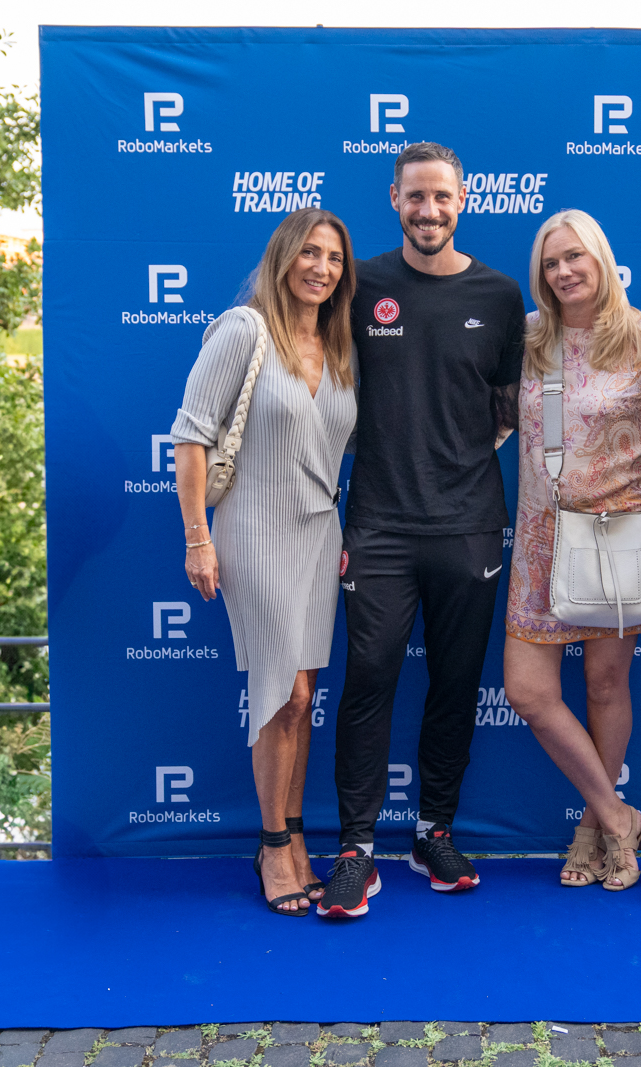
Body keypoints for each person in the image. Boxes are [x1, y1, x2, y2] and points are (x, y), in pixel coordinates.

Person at [316, 142, 525, 919]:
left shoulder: (500, 294)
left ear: (463, 200)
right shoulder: (359, 283)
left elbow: (507, 408)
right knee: (368, 679)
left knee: (456, 683)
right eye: (415, 197)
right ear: (394, 199)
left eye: (442, 197)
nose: (428, 210)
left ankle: (434, 829)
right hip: (377, 524)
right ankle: (355, 848)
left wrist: (452, 458)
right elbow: (309, 362)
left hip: (469, 526)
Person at [170, 208, 358, 916]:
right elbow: (191, 436)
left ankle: (296, 834)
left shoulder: (338, 347)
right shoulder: (243, 331)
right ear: (282, 258)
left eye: (333, 258)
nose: (321, 268)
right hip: (255, 528)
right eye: (309, 253)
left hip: (319, 534)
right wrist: (198, 539)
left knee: (304, 694)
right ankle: (273, 844)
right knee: (284, 695)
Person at [502, 209, 641, 891]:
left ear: (601, 257)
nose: (564, 271)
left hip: (616, 532)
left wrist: (614, 464)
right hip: (539, 538)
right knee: (527, 691)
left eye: (575, 256)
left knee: (605, 685)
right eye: (550, 262)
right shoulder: (527, 339)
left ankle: (592, 831)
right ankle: (617, 814)